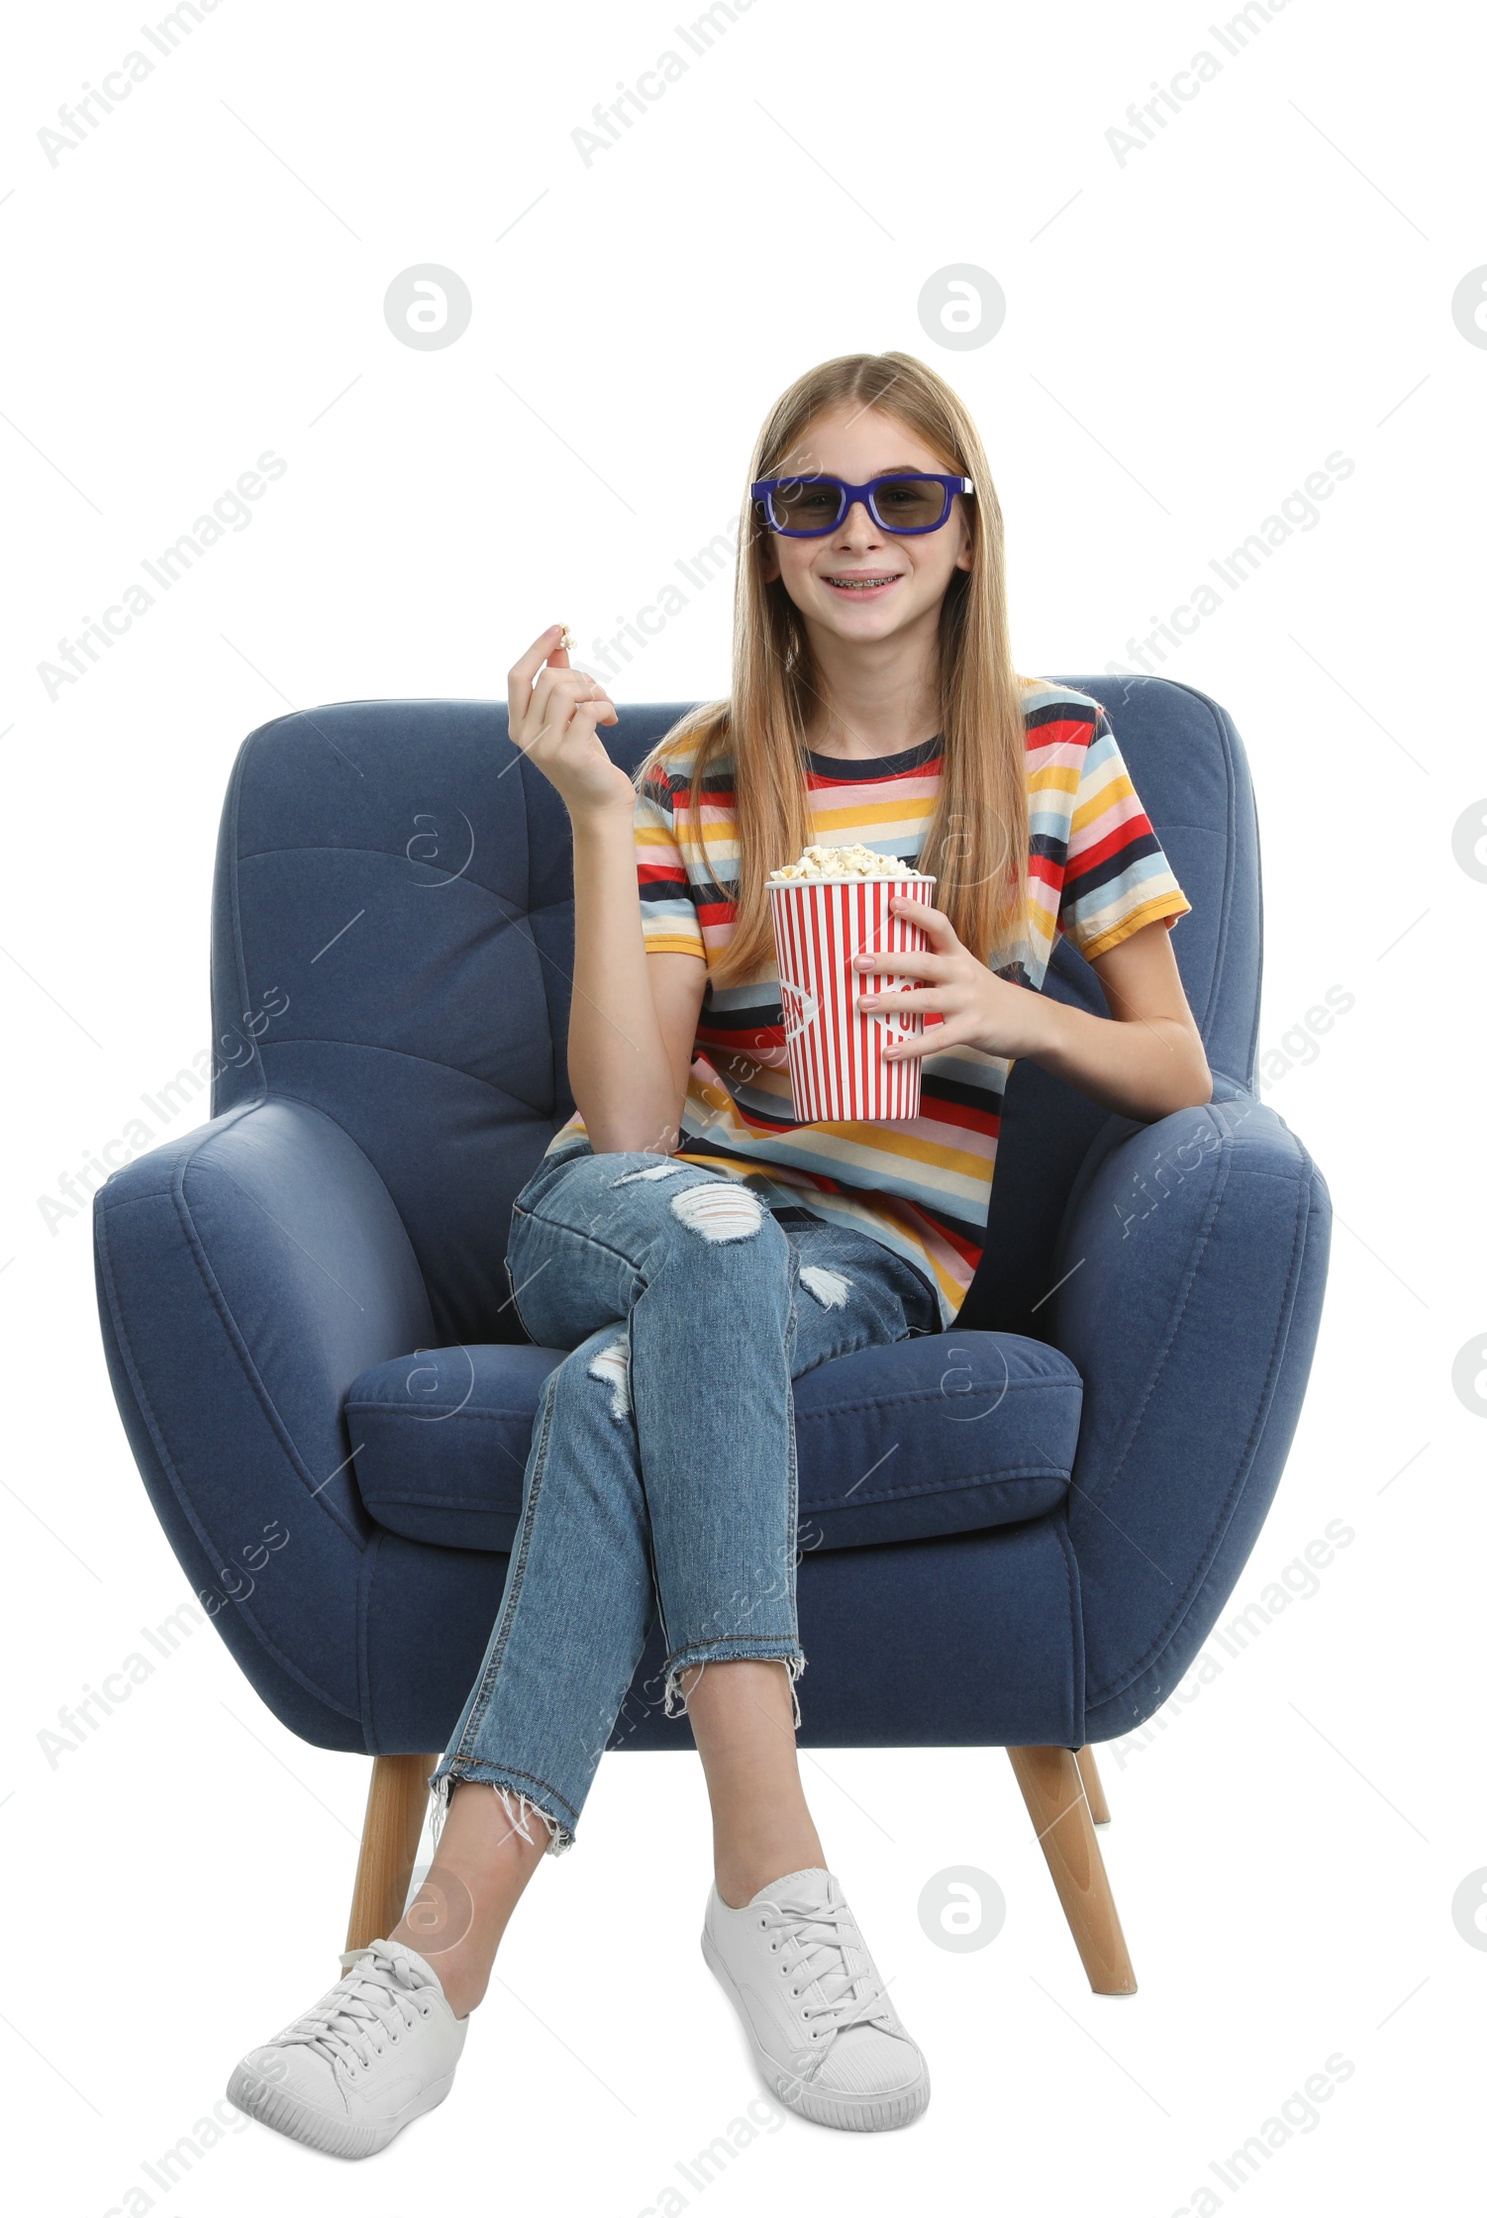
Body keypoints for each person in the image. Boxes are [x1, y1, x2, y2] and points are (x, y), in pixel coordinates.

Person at [226, 349, 1211, 2156]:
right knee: (700, 1221)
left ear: (966, 530)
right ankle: (774, 1867)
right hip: (619, 1210)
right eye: (812, 499)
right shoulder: (699, 771)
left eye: (903, 496)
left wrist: (1014, 1006)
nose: (860, 533)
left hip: (874, 1254)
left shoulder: (1058, 753)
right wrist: (603, 819)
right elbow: (620, 1124)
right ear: (765, 541)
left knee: (628, 1390)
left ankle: (434, 1956)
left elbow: (1182, 1068)